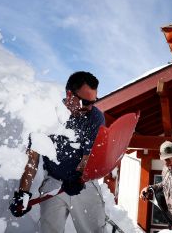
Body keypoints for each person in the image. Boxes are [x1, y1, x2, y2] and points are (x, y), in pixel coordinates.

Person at [9, 71, 106, 233]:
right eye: (85, 102)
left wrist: (78, 177)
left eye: (93, 102)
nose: (89, 107)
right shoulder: (47, 115)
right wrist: (23, 194)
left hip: (83, 183)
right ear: (69, 95)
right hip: (53, 183)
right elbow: (32, 160)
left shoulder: (94, 117)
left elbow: (88, 156)